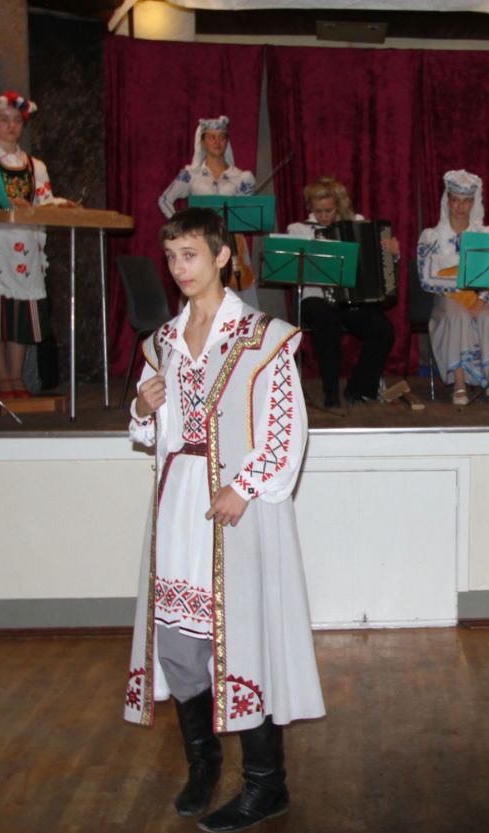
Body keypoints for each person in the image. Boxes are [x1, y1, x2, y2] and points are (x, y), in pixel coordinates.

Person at [124, 207, 325, 833]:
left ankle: (267, 785)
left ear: (221, 257)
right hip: (178, 503)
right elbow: (150, 432)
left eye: (190, 254)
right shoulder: (162, 342)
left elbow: (287, 428)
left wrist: (246, 485)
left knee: (244, 638)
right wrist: (142, 407)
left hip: (239, 508)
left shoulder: (264, 338)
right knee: (180, 645)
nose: (179, 268)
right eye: (172, 256)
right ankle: (203, 763)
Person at [0, 90, 56, 400]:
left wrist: (49, 206)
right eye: (4, 119)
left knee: (20, 315)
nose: (11, 126)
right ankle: (1, 377)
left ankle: (17, 377)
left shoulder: (35, 166)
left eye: (17, 120)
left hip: (25, 248)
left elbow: (45, 202)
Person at [285, 176, 398, 407]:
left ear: (338, 206)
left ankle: (358, 388)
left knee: (383, 329)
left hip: (351, 299)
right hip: (315, 297)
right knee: (327, 320)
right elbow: (291, 270)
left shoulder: (356, 223)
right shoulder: (298, 230)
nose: (323, 216)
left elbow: (378, 261)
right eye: (318, 211)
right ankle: (331, 392)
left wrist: (392, 252)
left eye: (329, 210)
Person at [417, 170, 489, 405]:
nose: (460, 207)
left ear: (473, 203)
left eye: (466, 201)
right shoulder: (432, 236)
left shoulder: (484, 235)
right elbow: (427, 279)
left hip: (478, 298)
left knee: (487, 316)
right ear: (448, 201)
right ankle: (459, 382)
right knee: (457, 316)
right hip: (446, 298)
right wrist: (463, 283)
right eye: (456, 200)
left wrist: (481, 299)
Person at [158, 115, 259, 308]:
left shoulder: (241, 177)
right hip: (200, 243)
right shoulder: (191, 175)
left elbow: (249, 213)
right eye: (212, 137)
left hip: (232, 244)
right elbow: (164, 200)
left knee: (237, 298)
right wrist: (184, 228)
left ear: (227, 141)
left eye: (222, 137)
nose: (217, 142)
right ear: (202, 142)